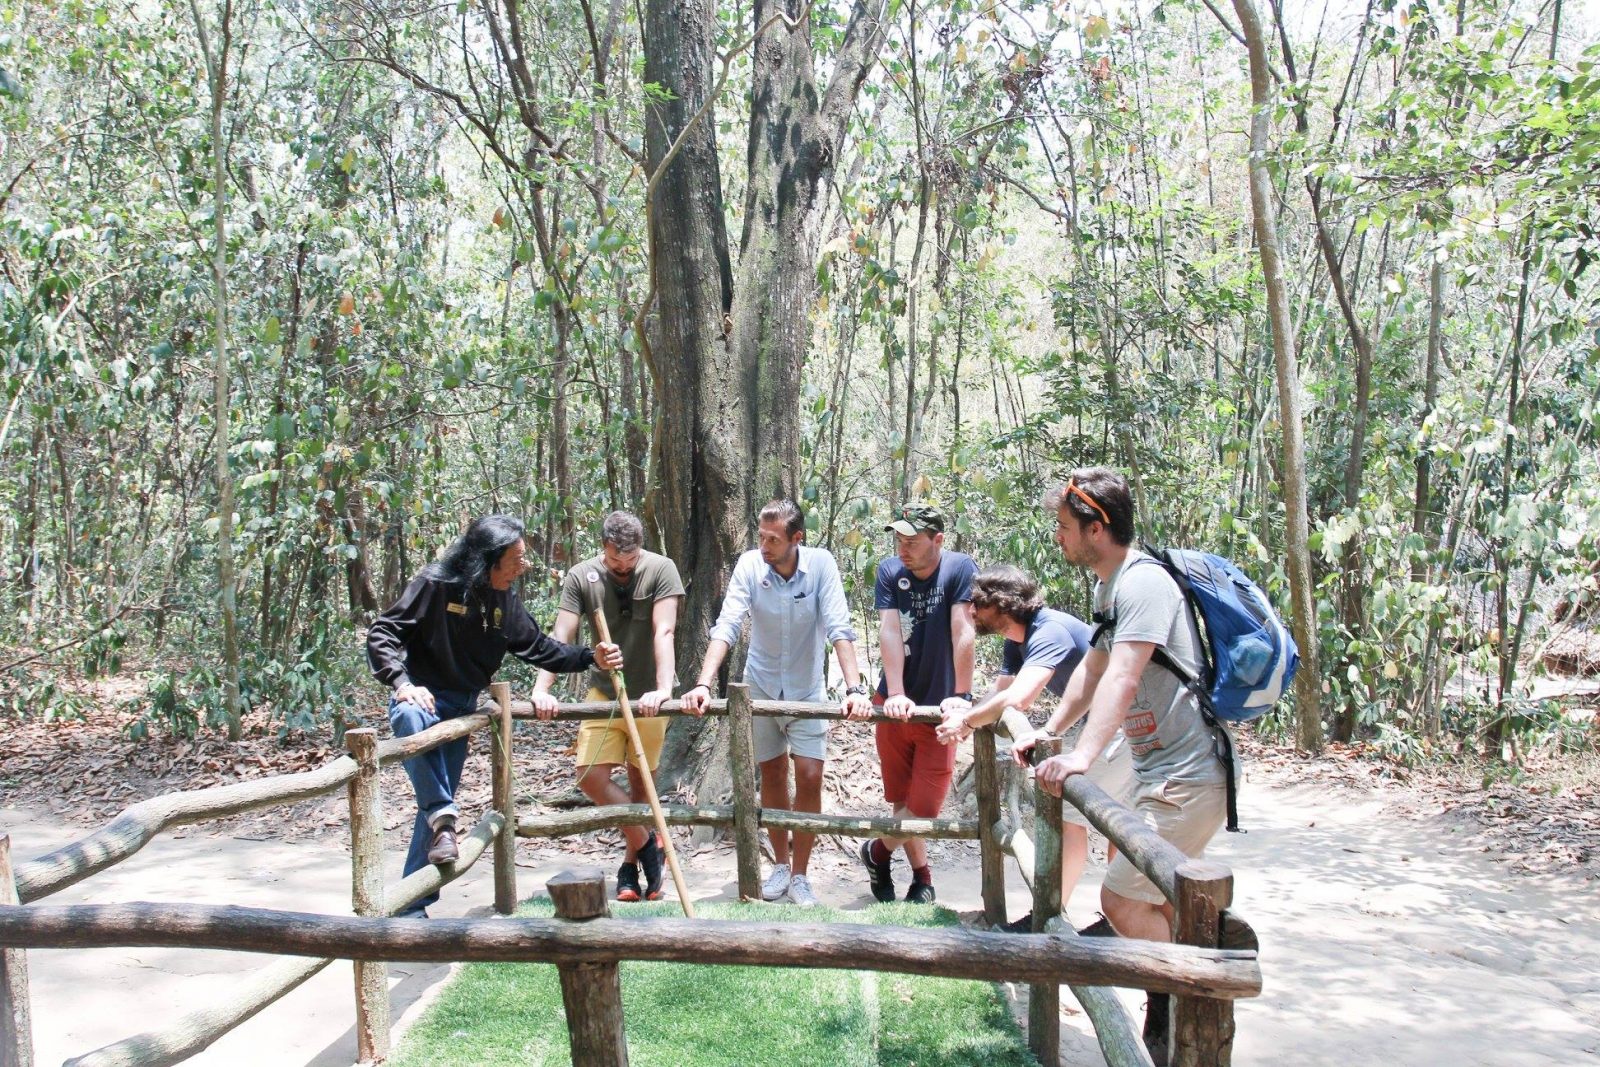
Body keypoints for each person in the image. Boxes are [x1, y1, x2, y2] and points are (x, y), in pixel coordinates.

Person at [1013, 468, 1238, 1067]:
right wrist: (1054, 731)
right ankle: (1171, 1017)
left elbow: (1124, 673)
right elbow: (1093, 667)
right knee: (1161, 903)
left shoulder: (1145, 584)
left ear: (1097, 527)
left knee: (1120, 904)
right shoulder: (1108, 588)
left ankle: (1185, 1005)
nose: (1058, 538)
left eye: (1064, 527)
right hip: (1157, 773)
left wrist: (1083, 756)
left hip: (1186, 777)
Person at [366, 515, 621, 919]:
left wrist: (592, 656)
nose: (523, 566)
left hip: (463, 707)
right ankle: (440, 826)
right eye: (515, 558)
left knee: (433, 808)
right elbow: (383, 632)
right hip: (422, 696)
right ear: (487, 560)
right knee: (412, 722)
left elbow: (540, 648)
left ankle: (413, 902)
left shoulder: (505, 600)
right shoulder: (435, 585)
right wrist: (402, 683)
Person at [681, 499, 873, 907]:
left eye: (773, 539)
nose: (765, 546)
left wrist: (855, 688)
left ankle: (802, 875)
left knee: (808, 774)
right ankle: (780, 865)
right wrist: (702, 683)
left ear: (796, 538)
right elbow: (728, 623)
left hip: (806, 688)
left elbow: (840, 627)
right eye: (761, 537)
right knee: (771, 772)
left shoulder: (821, 565)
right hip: (762, 685)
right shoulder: (751, 566)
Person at [935, 563, 1133, 932]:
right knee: (1091, 821)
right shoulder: (1018, 638)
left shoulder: (1049, 630)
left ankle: (1073, 917)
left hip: (1122, 728)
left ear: (1004, 604)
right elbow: (1003, 690)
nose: (972, 611)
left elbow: (1022, 697)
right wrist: (969, 709)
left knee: (1094, 821)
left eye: (979, 603)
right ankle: (1068, 915)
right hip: (1099, 726)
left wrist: (967, 723)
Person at [532, 511, 685, 903]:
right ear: (604, 548)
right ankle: (652, 845)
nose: (623, 568)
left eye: (630, 561)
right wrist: (542, 687)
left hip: (648, 695)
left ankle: (629, 870)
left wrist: (663, 689)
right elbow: (562, 632)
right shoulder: (582, 576)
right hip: (604, 693)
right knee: (590, 776)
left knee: (640, 786)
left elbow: (663, 630)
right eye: (616, 561)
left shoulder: (661, 569)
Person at [858, 502, 977, 905]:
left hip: (939, 710)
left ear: (938, 540)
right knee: (901, 800)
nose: (902, 548)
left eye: (912, 540)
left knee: (923, 809)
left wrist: (961, 696)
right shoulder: (890, 571)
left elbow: (963, 628)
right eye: (898, 539)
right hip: (896, 702)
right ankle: (922, 879)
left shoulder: (959, 569)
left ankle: (876, 851)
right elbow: (890, 630)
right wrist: (894, 692)